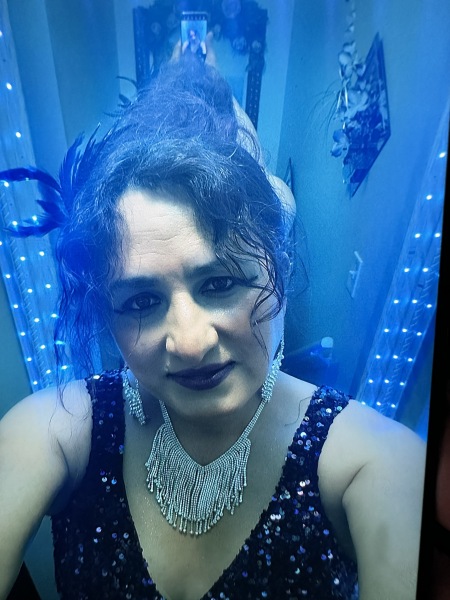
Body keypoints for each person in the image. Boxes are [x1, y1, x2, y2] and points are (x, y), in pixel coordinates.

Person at [0, 56, 425, 600]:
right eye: (142, 300)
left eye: (220, 284)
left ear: (278, 268)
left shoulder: (375, 464)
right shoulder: (55, 431)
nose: (191, 342)